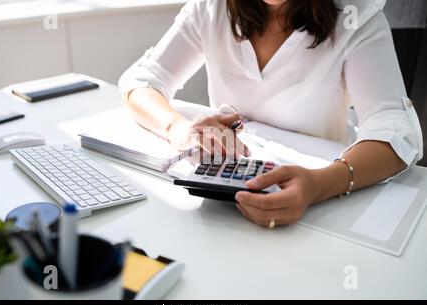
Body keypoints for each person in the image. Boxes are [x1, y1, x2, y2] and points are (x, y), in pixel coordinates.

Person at [119, 0, 423, 228]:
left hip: (325, 210)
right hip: (221, 205)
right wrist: (179, 129)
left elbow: (397, 130)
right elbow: (142, 81)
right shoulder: (212, 8)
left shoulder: (357, 16)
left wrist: (320, 184)